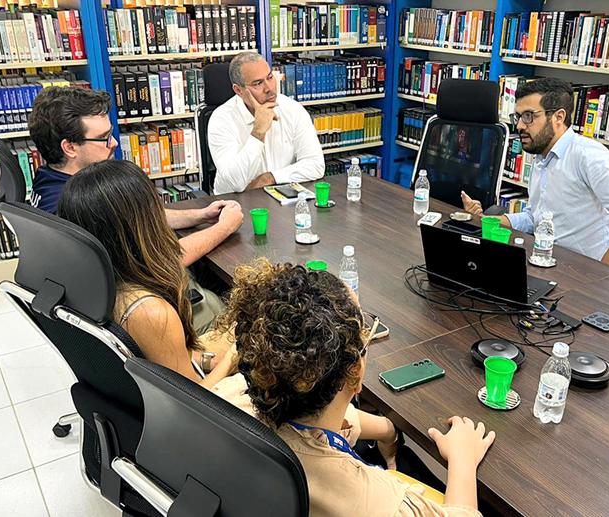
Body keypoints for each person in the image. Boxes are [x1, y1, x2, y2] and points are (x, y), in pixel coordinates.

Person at [57, 162, 402, 468]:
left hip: (157, 404)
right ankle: (384, 430)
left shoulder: (92, 283)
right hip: (198, 427)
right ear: (141, 227)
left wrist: (207, 358)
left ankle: (379, 429)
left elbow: (170, 367)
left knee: (268, 336)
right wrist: (232, 360)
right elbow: (194, 402)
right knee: (299, 382)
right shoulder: (149, 311)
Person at [219, 258, 495, 517]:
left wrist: (387, 430)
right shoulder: (374, 502)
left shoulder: (229, 394)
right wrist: (463, 460)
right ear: (355, 373)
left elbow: (309, 426)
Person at [28, 86, 245, 270]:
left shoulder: (50, 177)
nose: (113, 143)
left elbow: (136, 216)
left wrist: (201, 216)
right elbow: (163, 263)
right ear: (70, 147)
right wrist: (223, 228)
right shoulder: (82, 204)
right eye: (103, 138)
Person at [461, 78, 609, 267]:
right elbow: (534, 217)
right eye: (518, 117)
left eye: (529, 116)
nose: (519, 125)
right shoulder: (540, 156)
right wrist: (488, 221)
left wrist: (603, 275)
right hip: (547, 260)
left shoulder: (589, 157)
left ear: (558, 117)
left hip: (582, 271)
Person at [207, 52, 324, 195]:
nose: (269, 88)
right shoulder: (221, 119)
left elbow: (316, 165)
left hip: (280, 196)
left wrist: (270, 178)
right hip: (234, 204)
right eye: (258, 83)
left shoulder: (292, 109)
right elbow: (236, 183)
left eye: (270, 77)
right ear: (239, 90)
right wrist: (258, 133)